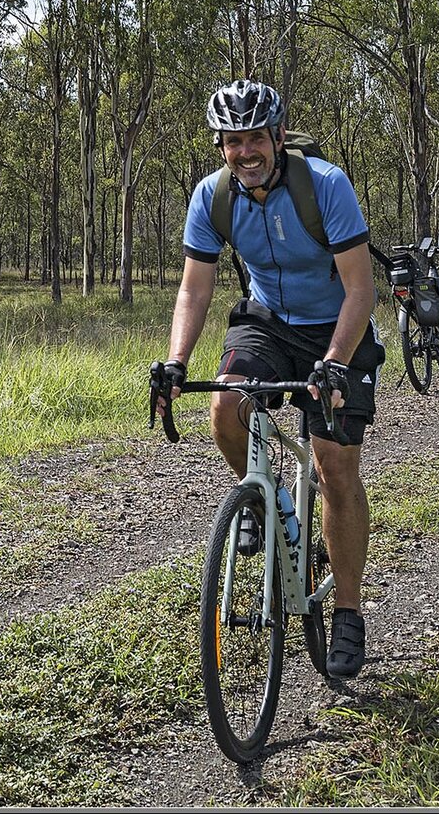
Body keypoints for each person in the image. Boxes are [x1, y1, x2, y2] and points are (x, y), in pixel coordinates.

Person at [149, 79, 385, 680]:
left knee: (334, 463)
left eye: (255, 137)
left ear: (279, 136)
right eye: (232, 141)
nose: (245, 151)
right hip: (267, 323)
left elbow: (361, 287)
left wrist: (334, 360)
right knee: (226, 408)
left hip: (338, 327)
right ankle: (270, 499)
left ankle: (349, 608)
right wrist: (177, 360)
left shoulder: (325, 186)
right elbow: (194, 288)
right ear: (221, 146)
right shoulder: (213, 197)